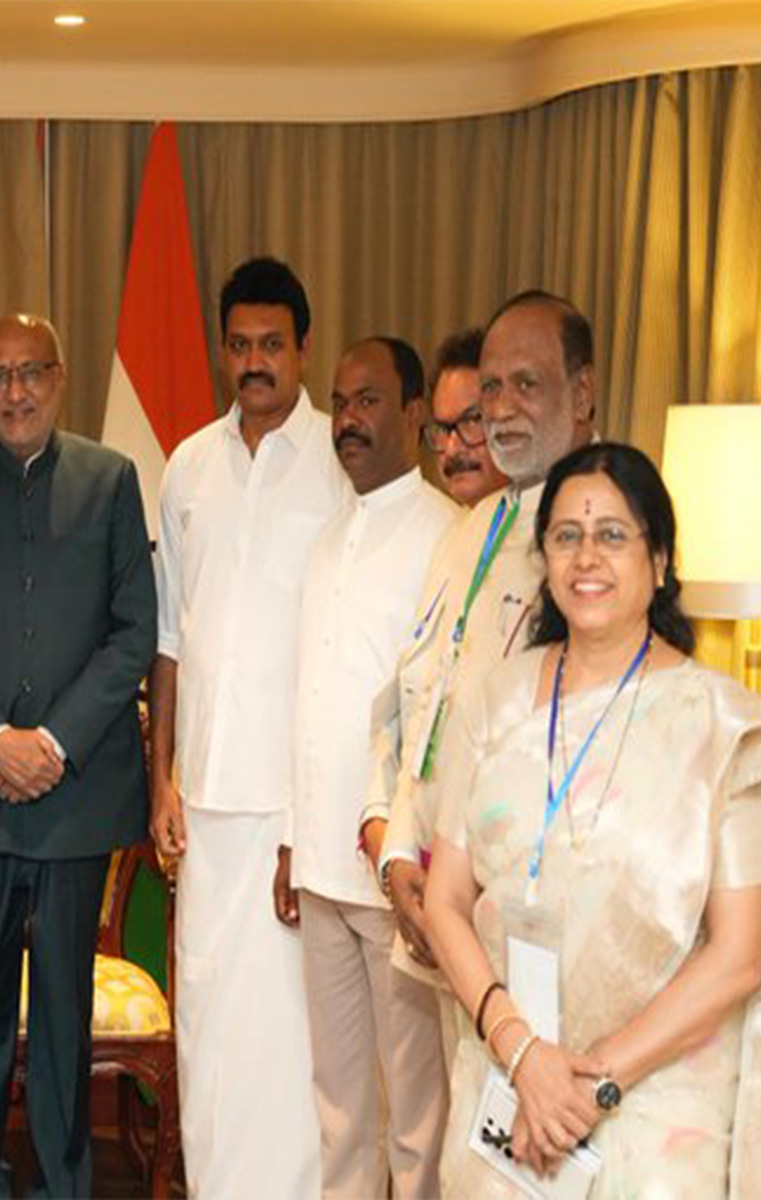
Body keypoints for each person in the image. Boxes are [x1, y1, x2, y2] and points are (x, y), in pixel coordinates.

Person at [424, 442, 761, 1198]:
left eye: (613, 534)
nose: (586, 555)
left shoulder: (725, 732)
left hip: (657, 1110)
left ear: (658, 562)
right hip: (507, 1084)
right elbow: (445, 899)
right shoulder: (492, 701)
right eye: (566, 535)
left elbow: (740, 955)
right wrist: (521, 1051)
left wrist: (590, 1086)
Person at [0, 313, 156, 1197]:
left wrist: (50, 743)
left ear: (58, 378)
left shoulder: (112, 479)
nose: (14, 392)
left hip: (76, 796)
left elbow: (134, 635)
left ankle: (61, 1186)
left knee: (60, 1016)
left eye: (29, 373)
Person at [150, 257, 351, 1198]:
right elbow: (168, 636)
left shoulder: (339, 464)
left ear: (302, 348)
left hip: (291, 806)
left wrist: (306, 823)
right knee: (211, 1021)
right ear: (222, 347)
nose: (256, 361)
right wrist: (162, 778)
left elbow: (343, 650)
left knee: (290, 1038)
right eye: (240, 345)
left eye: (273, 344)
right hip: (204, 805)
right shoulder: (188, 465)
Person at [361, 291, 595, 1003]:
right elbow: (422, 701)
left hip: (535, 905)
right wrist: (399, 855)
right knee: (458, 1113)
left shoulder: (603, 529)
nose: (500, 407)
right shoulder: (470, 529)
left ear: (581, 392)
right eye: (491, 386)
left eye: (527, 384)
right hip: (438, 898)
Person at [276, 336, 458, 1199]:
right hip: (319, 867)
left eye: (369, 401)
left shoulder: (444, 540)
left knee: (416, 1115)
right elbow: (307, 704)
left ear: (415, 414)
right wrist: (290, 841)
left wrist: (411, 860)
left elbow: (435, 721)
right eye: (342, 403)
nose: (348, 419)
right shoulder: (325, 541)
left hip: (396, 877)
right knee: (340, 1107)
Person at [425, 328, 508, 507]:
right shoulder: (450, 530)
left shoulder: (546, 524)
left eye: (471, 421)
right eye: (442, 429)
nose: (452, 449)